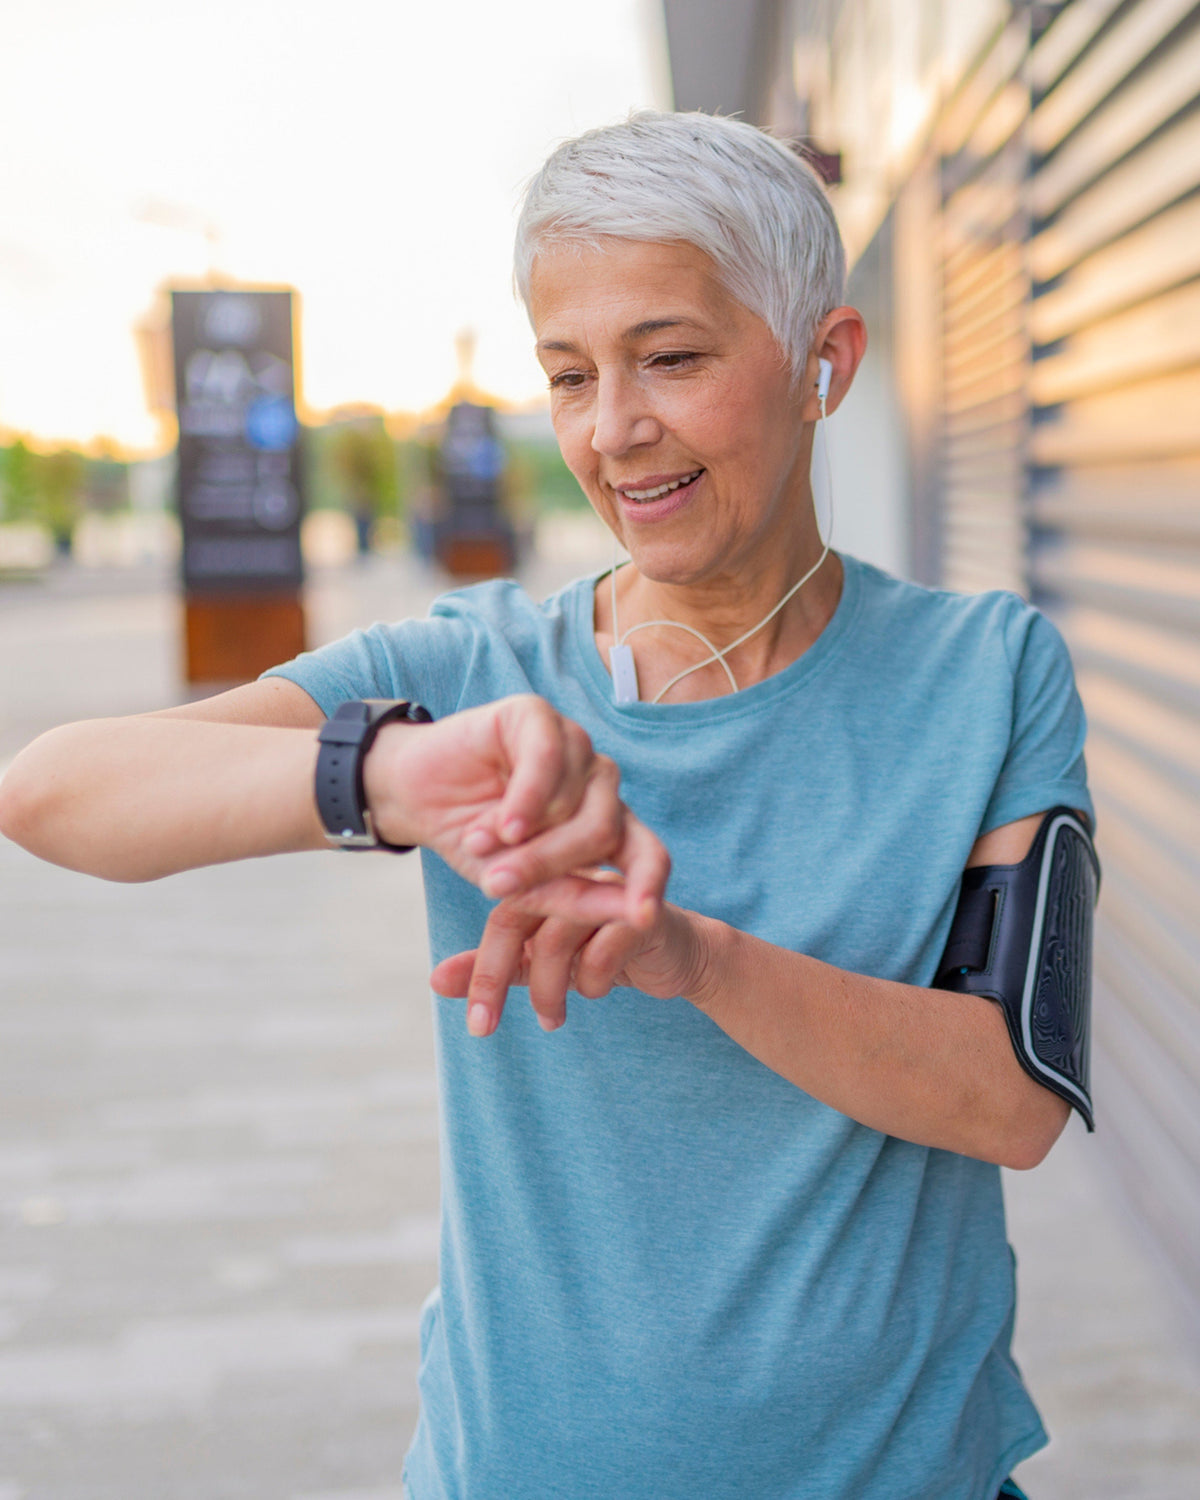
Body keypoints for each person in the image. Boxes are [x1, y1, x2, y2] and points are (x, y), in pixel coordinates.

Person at [0, 111, 1092, 1500]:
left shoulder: (987, 672)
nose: (612, 429)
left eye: (671, 358)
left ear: (825, 359)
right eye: (569, 376)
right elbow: (54, 791)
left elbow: (1010, 1099)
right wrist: (391, 774)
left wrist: (693, 957)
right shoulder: (467, 672)